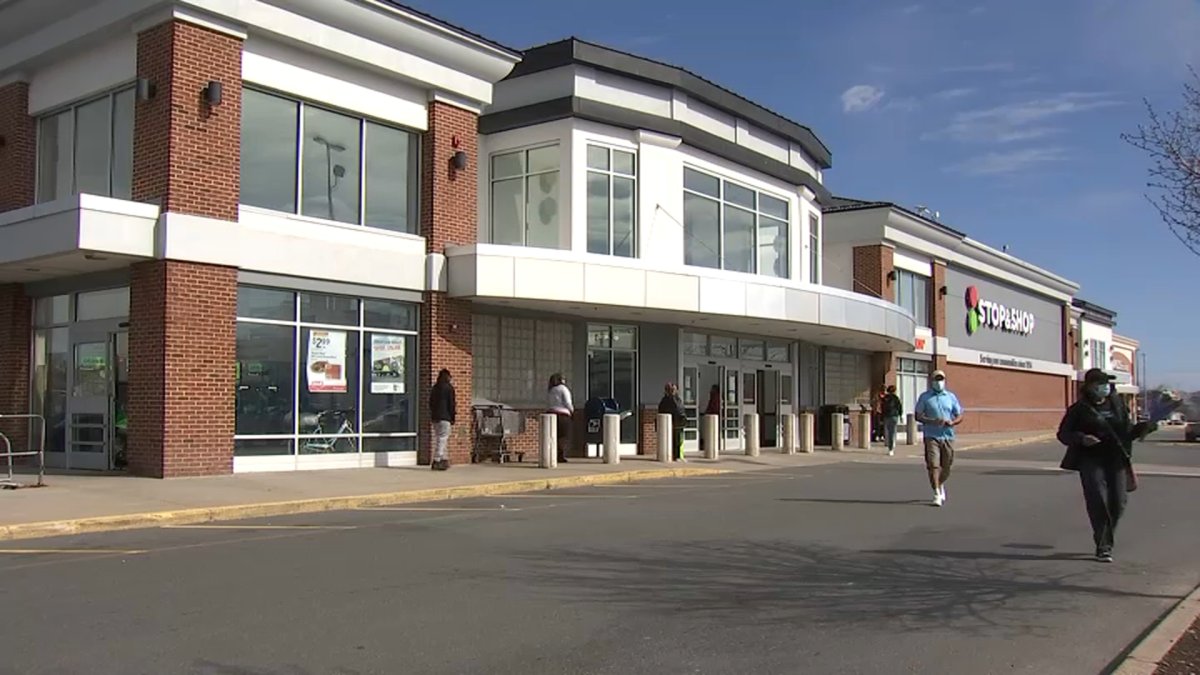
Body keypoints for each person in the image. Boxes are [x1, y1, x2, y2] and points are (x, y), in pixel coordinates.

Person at [1057, 368, 1141, 563]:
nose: (1104, 388)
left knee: (1119, 502)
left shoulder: (1118, 406)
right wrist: (1082, 438)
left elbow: (1127, 432)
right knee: (1098, 500)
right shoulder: (1079, 409)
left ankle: (1106, 534)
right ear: (1089, 386)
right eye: (1099, 385)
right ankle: (1103, 546)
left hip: (1116, 459)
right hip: (1091, 459)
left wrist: (1143, 429)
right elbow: (1063, 434)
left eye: (1106, 384)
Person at [914, 370, 963, 506]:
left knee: (946, 465)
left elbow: (959, 414)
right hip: (931, 435)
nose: (939, 382)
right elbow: (918, 415)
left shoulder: (951, 397)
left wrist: (952, 422)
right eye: (936, 379)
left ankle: (940, 483)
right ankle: (936, 493)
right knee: (933, 465)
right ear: (932, 381)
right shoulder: (925, 397)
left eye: (941, 379)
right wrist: (932, 420)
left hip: (947, 435)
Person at [428, 369, 455, 471]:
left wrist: (433, 414)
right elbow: (451, 404)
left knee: (441, 438)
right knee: (442, 438)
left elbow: (431, 402)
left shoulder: (435, 388)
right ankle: (437, 459)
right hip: (445, 416)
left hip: (435, 417)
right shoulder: (449, 388)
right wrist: (452, 417)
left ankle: (444, 459)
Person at [547, 373, 573, 464]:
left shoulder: (551, 390)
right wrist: (572, 411)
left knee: (554, 436)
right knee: (563, 436)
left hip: (551, 413)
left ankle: (552, 454)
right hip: (563, 414)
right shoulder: (563, 389)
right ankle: (561, 455)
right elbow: (567, 402)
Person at [658, 382, 687, 462]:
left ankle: (679, 455)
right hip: (672, 422)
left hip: (679, 421)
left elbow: (680, 409)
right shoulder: (667, 400)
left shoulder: (677, 398)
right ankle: (676, 456)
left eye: (675, 389)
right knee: (674, 440)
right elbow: (673, 409)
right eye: (672, 389)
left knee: (679, 440)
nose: (674, 390)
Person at [880, 384, 903, 457]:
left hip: (886, 416)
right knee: (892, 432)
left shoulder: (885, 398)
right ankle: (891, 447)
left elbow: (882, 408)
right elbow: (899, 407)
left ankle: (890, 445)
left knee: (887, 431)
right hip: (894, 416)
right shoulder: (896, 398)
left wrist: (881, 417)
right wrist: (900, 415)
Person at [700, 384, 721, 452]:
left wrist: (707, 412)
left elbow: (712, 405)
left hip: (713, 415)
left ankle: (712, 447)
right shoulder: (716, 396)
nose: (710, 390)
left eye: (712, 389)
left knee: (712, 431)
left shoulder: (715, 396)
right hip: (715, 415)